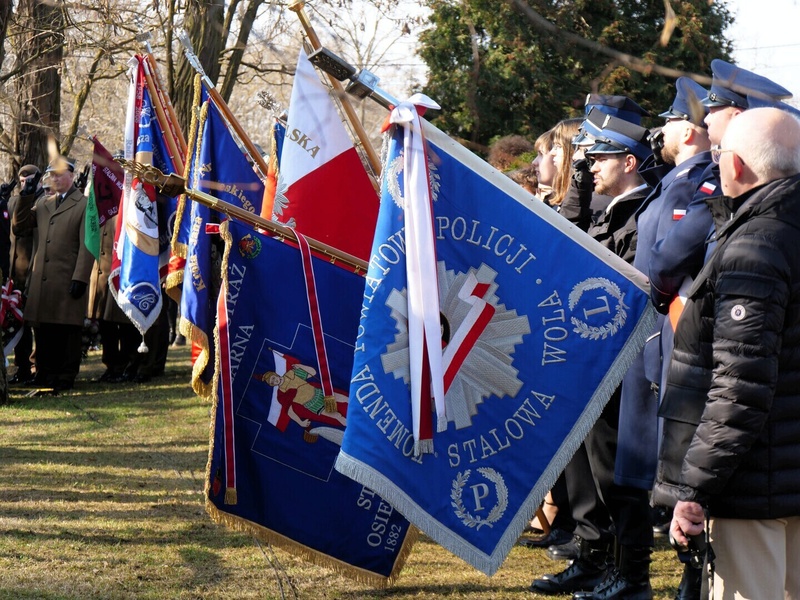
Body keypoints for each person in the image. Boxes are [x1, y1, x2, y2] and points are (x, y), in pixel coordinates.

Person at [663, 107, 800, 600]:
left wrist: (694, 490)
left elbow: (739, 386)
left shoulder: (756, 246)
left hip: (754, 484)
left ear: (735, 164)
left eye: (719, 152)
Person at [531, 114, 654, 599]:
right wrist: (581, 182)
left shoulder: (642, 211)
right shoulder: (606, 209)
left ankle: (628, 573)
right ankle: (593, 558)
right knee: (587, 469)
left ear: (629, 162)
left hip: (621, 362)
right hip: (590, 360)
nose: (591, 165)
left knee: (617, 474)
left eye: (600, 158)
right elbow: (564, 240)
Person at [12, 156, 94, 391]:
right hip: (42, 279)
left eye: (59, 175)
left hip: (67, 278)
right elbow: (19, 226)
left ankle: (65, 375)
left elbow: (88, 244)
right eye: (52, 175)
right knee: (44, 330)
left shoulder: (84, 204)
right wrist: (27, 194)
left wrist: (80, 277)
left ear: (71, 175)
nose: (55, 179)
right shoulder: (43, 203)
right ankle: (44, 372)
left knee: (67, 330)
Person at [87, 214, 140, 383]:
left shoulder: (127, 205)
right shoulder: (97, 205)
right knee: (105, 324)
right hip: (102, 274)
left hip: (124, 273)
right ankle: (111, 366)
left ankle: (128, 366)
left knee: (126, 325)